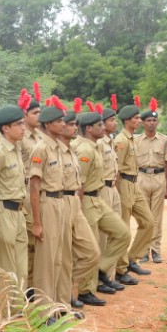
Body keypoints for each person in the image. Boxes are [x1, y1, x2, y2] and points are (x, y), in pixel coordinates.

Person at [72, 111, 130, 303]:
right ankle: (85, 290)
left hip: (98, 199)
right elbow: (79, 184)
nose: (103, 127)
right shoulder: (84, 150)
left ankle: (101, 269)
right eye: (99, 125)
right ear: (89, 128)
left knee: (122, 233)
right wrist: (78, 211)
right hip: (87, 200)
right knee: (93, 245)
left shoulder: (95, 145)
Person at [28, 100, 78, 312]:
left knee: (64, 257)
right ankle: (44, 309)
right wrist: (37, 222)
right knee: (47, 260)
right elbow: (34, 186)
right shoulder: (41, 149)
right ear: (48, 125)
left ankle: (62, 305)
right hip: (48, 203)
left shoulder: (60, 148)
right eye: (58, 121)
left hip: (63, 202)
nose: (63, 125)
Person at [0, 104, 29, 314]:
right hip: (1, 213)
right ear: (6, 128)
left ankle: (17, 320)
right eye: (19, 124)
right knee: (4, 274)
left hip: (18, 214)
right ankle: (4, 323)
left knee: (20, 271)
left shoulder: (15, 148)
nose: (23, 127)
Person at [60, 111, 102, 308]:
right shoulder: (52, 151)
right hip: (59, 204)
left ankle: (65, 287)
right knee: (63, 257)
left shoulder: (71, 150)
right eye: (69, 124)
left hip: (75, 203)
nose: (74, 127)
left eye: (74, 124)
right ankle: (61, 295)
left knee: (91, 252)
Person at [113, 104, 154, 281]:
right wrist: (116, 193)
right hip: (123, 184)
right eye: (136, 118)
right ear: (127, 120)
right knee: (124, 227)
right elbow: (117, 170)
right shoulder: (121, 141)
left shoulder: (131, 139)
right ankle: (121, 269)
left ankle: (131, 258)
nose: (139, 121)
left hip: (134, 184)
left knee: (148, 222)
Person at [134, 99, 167, 263]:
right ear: (143, 122)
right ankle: (143, 251)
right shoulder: (136, 140)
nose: (151, 123)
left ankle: (156, 250)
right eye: (148, 120)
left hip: (158, 178)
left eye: (154, 120)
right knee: (144, 217)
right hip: (141, 178)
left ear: (157, 122)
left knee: (156, 217)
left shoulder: (164, 140)